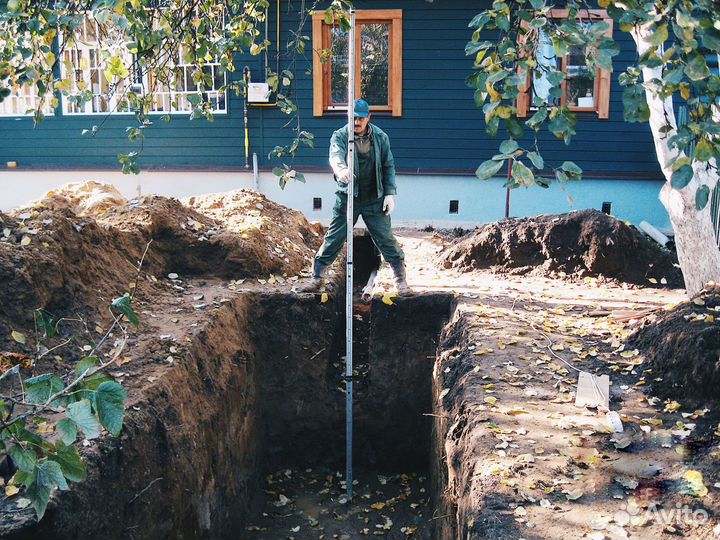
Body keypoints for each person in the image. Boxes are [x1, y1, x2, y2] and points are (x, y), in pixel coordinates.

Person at [301, 99, 412, 296]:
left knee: (385, 238)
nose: (357, 122)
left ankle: (400, 280)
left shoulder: (380, 137)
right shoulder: (341, 136)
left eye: (361, 118)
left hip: (374, 198)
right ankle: (316, 277)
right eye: (353, 118)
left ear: (368, 117)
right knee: (335, 237)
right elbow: (335, 155)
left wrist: (389, 194)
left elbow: (389, 166)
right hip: (347, 197)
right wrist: (340, 169)